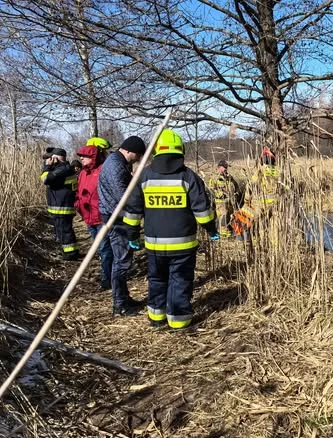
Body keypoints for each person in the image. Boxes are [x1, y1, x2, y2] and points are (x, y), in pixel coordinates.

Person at [123, 129, 219, 330]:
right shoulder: (188, 176)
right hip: (183, 244)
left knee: (157, 278)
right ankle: (179, 319)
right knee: (180, 280)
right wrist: (211, 229)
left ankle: (156, 317)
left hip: (154, 243)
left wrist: (132, 235)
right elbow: (202, 210)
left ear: (157, 150)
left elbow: (133, 210)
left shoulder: (145, 176)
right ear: (180, 150)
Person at [98, 136, 146, 316]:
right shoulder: (116, 166)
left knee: (122, 260)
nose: (139, 158)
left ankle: (124, 297)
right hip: (116, 219)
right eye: (138, 155)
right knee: (122, 261)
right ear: (129, 151)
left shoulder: (117, 162)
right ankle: (119, 304)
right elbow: (123, 195)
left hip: (115, 215)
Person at [75, 144, 114, 290]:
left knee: (104, 248)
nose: (81, 158)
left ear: (93, 157)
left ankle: (107, 279)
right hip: (89, 218)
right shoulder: (83, 174)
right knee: (100, 248)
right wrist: (78, 204)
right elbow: (79, 192)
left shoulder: (102, 170)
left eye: (84, 156)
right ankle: (108, 274)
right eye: (81, 156)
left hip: (101, 217)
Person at [40, 147, 80, 260]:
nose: (49, 160)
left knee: (65, 232)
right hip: (60, 206)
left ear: (56, 158)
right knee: (65, 231)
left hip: (63, 207)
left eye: (51, 158)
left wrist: (47, 166)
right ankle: (72, 251)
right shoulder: (62, 169)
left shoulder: (63, 170)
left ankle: (70, 254)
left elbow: (46, 179)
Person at [207, 160, 240, 238]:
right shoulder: (215, 177)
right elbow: (211, 190)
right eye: (223, 167)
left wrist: (236, 193)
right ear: (219, 167)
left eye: (226, 167)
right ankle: (223, 237)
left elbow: (236, 186)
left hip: (229, 202)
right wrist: (221, 194)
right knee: (223, 218)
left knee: (230, 218)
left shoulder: (229, 177)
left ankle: (230, 234)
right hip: (220, 203)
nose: (225, 169)